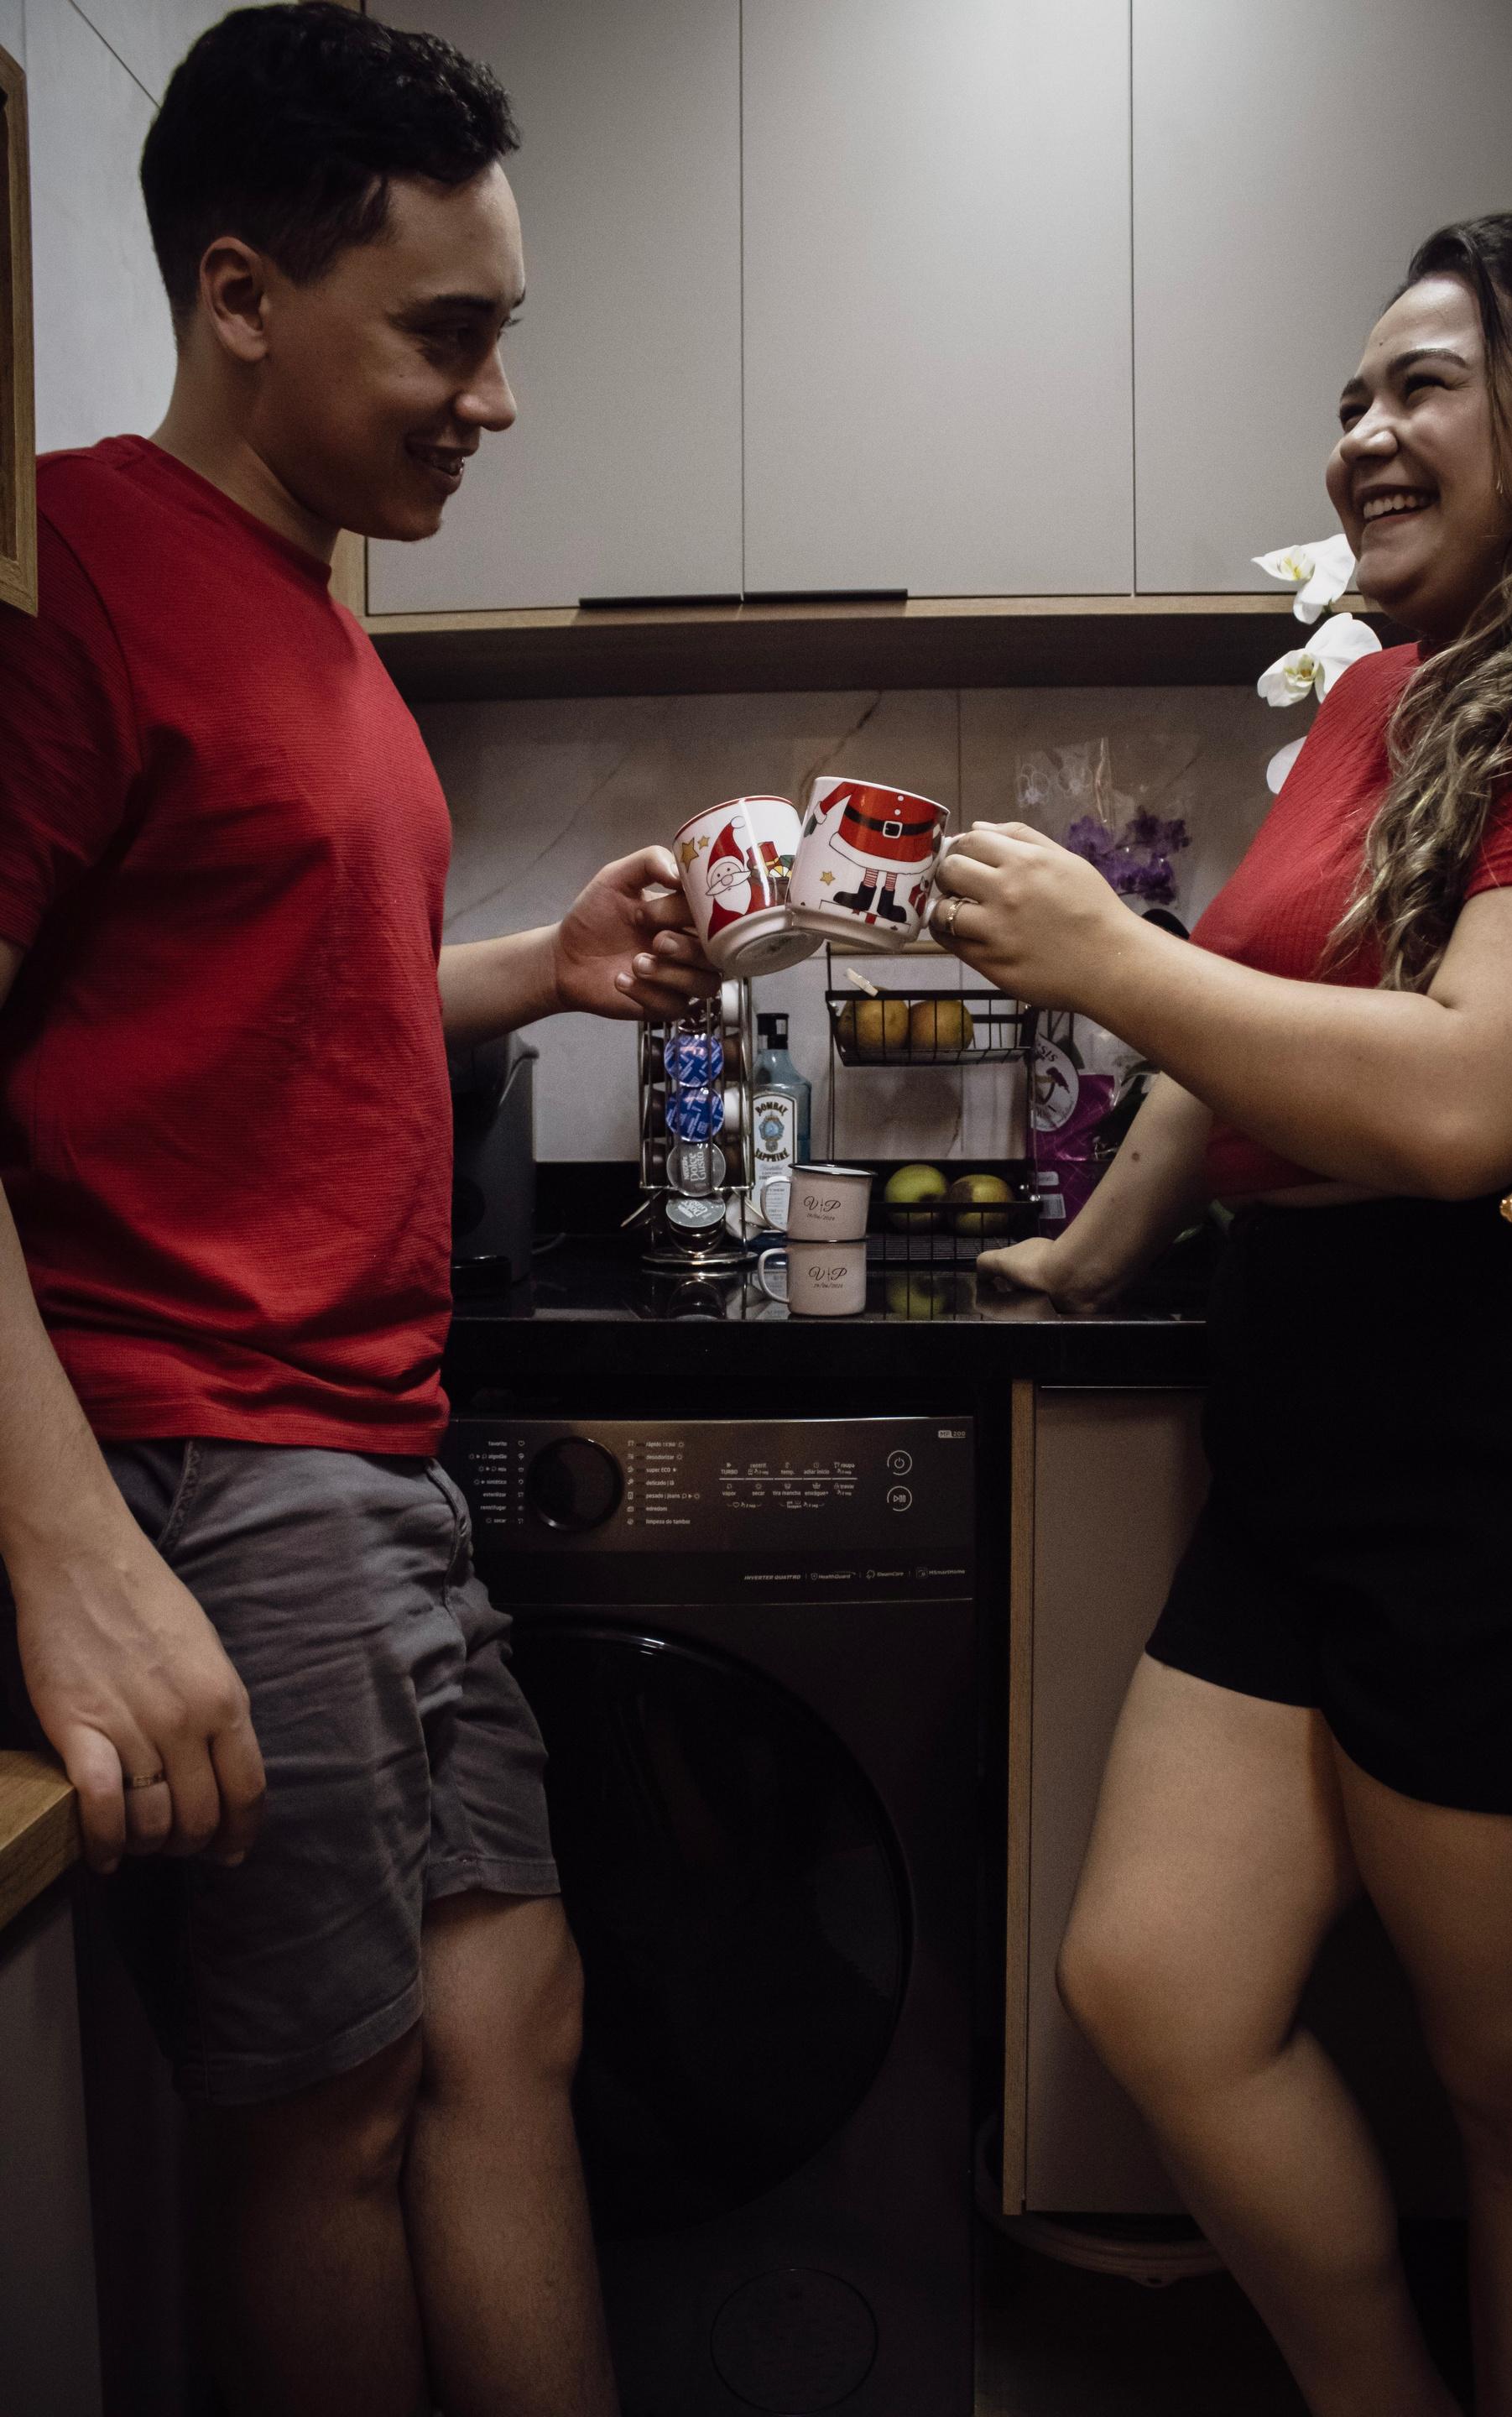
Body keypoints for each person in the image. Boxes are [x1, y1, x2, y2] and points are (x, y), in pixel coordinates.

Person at [0, 10, 714, 2414]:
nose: (494, 398)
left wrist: (541, 964)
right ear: (240, 296)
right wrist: (73, 1556)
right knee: (329, 2121)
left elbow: (261, 991)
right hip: (212, 1466)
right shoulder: (68, 568)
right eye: (446, 332)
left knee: (517, 2019)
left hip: (368, 1454)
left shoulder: (317, 608)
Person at [935, 210, 1512, 2417]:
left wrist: (1106, 954)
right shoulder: (1381, 695)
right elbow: (1234, 1024)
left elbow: (1474, 1098)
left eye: (1424, 386)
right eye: (1348, 399)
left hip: (1503, 1418)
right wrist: (1086, 1259)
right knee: (1156, 1981)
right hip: (1305, 1401)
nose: (1362, 436)